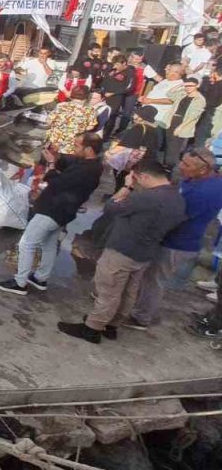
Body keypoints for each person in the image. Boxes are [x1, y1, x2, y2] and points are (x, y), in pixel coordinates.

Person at [58, 159, 186, 344]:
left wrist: (127, 188)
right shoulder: (177, 198)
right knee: (129, 292)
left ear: (144, 176)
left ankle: (92, 327)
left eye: (136, 178)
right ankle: (112, 325)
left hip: (122, 250)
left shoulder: (147, 197)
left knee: (108, 290)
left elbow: (111, 207)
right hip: (145, 252)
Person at [0, 133, 103, 296]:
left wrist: (51, 165)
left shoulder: (87, 169)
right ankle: (40, 278)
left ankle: (19, 282)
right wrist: (56, 157)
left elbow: (58, 183)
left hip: (54, 209)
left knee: (27, 243)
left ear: (89, 149)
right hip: (62, 211)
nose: (74, 148)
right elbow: (68, 163)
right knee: (48, 244)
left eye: (78, 145)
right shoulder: (90, 165)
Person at [129, 150, 222, 329]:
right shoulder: (200, 180)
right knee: (150, 277)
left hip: (177, 243)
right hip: (175, 239)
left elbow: (176, 216)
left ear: (203, 170)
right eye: (182, 161)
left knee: (153, 280)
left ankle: (141, 317)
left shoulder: (204, 192)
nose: (180, 166)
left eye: (187, 165)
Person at [43, 85, 98, 154]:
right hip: (72, 143)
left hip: (55, 140)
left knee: (50, 159)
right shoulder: (91, 110)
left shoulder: (62, 105)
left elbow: (49, 121)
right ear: (87, 96)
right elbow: (90, 127)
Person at [162, 77, 204, 166]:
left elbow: (193, 116)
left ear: (197, 86)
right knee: (168, 144)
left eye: (191, 86)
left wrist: (181, 126)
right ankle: (165, 164)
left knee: (175, 147)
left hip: (183, 122)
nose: (188, 87)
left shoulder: (199, 99)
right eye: (186, 85)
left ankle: (171, 167)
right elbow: (169, 94)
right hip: (172, 119)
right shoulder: (183, 93)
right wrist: (180, 85)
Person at [101, 54, 134, 138]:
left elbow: (129, 87)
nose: (115, 66)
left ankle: (106, 136)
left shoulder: (129, 73)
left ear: (124, 63)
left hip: (116, 97)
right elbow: (105, 80)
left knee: (111, 116)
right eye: (114, 64)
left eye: (117, 64)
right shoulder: (113, 71)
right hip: (105, 95)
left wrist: (114, 93)